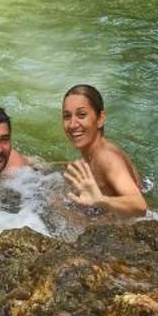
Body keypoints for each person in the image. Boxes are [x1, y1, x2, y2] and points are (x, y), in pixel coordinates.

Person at [61, 84, 147, 217]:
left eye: (82, 115)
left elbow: (140, 205)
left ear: (100, 119)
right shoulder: (92, 154)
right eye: (67, 116)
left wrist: (101, 201)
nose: (72, 124)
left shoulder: (106, 157)